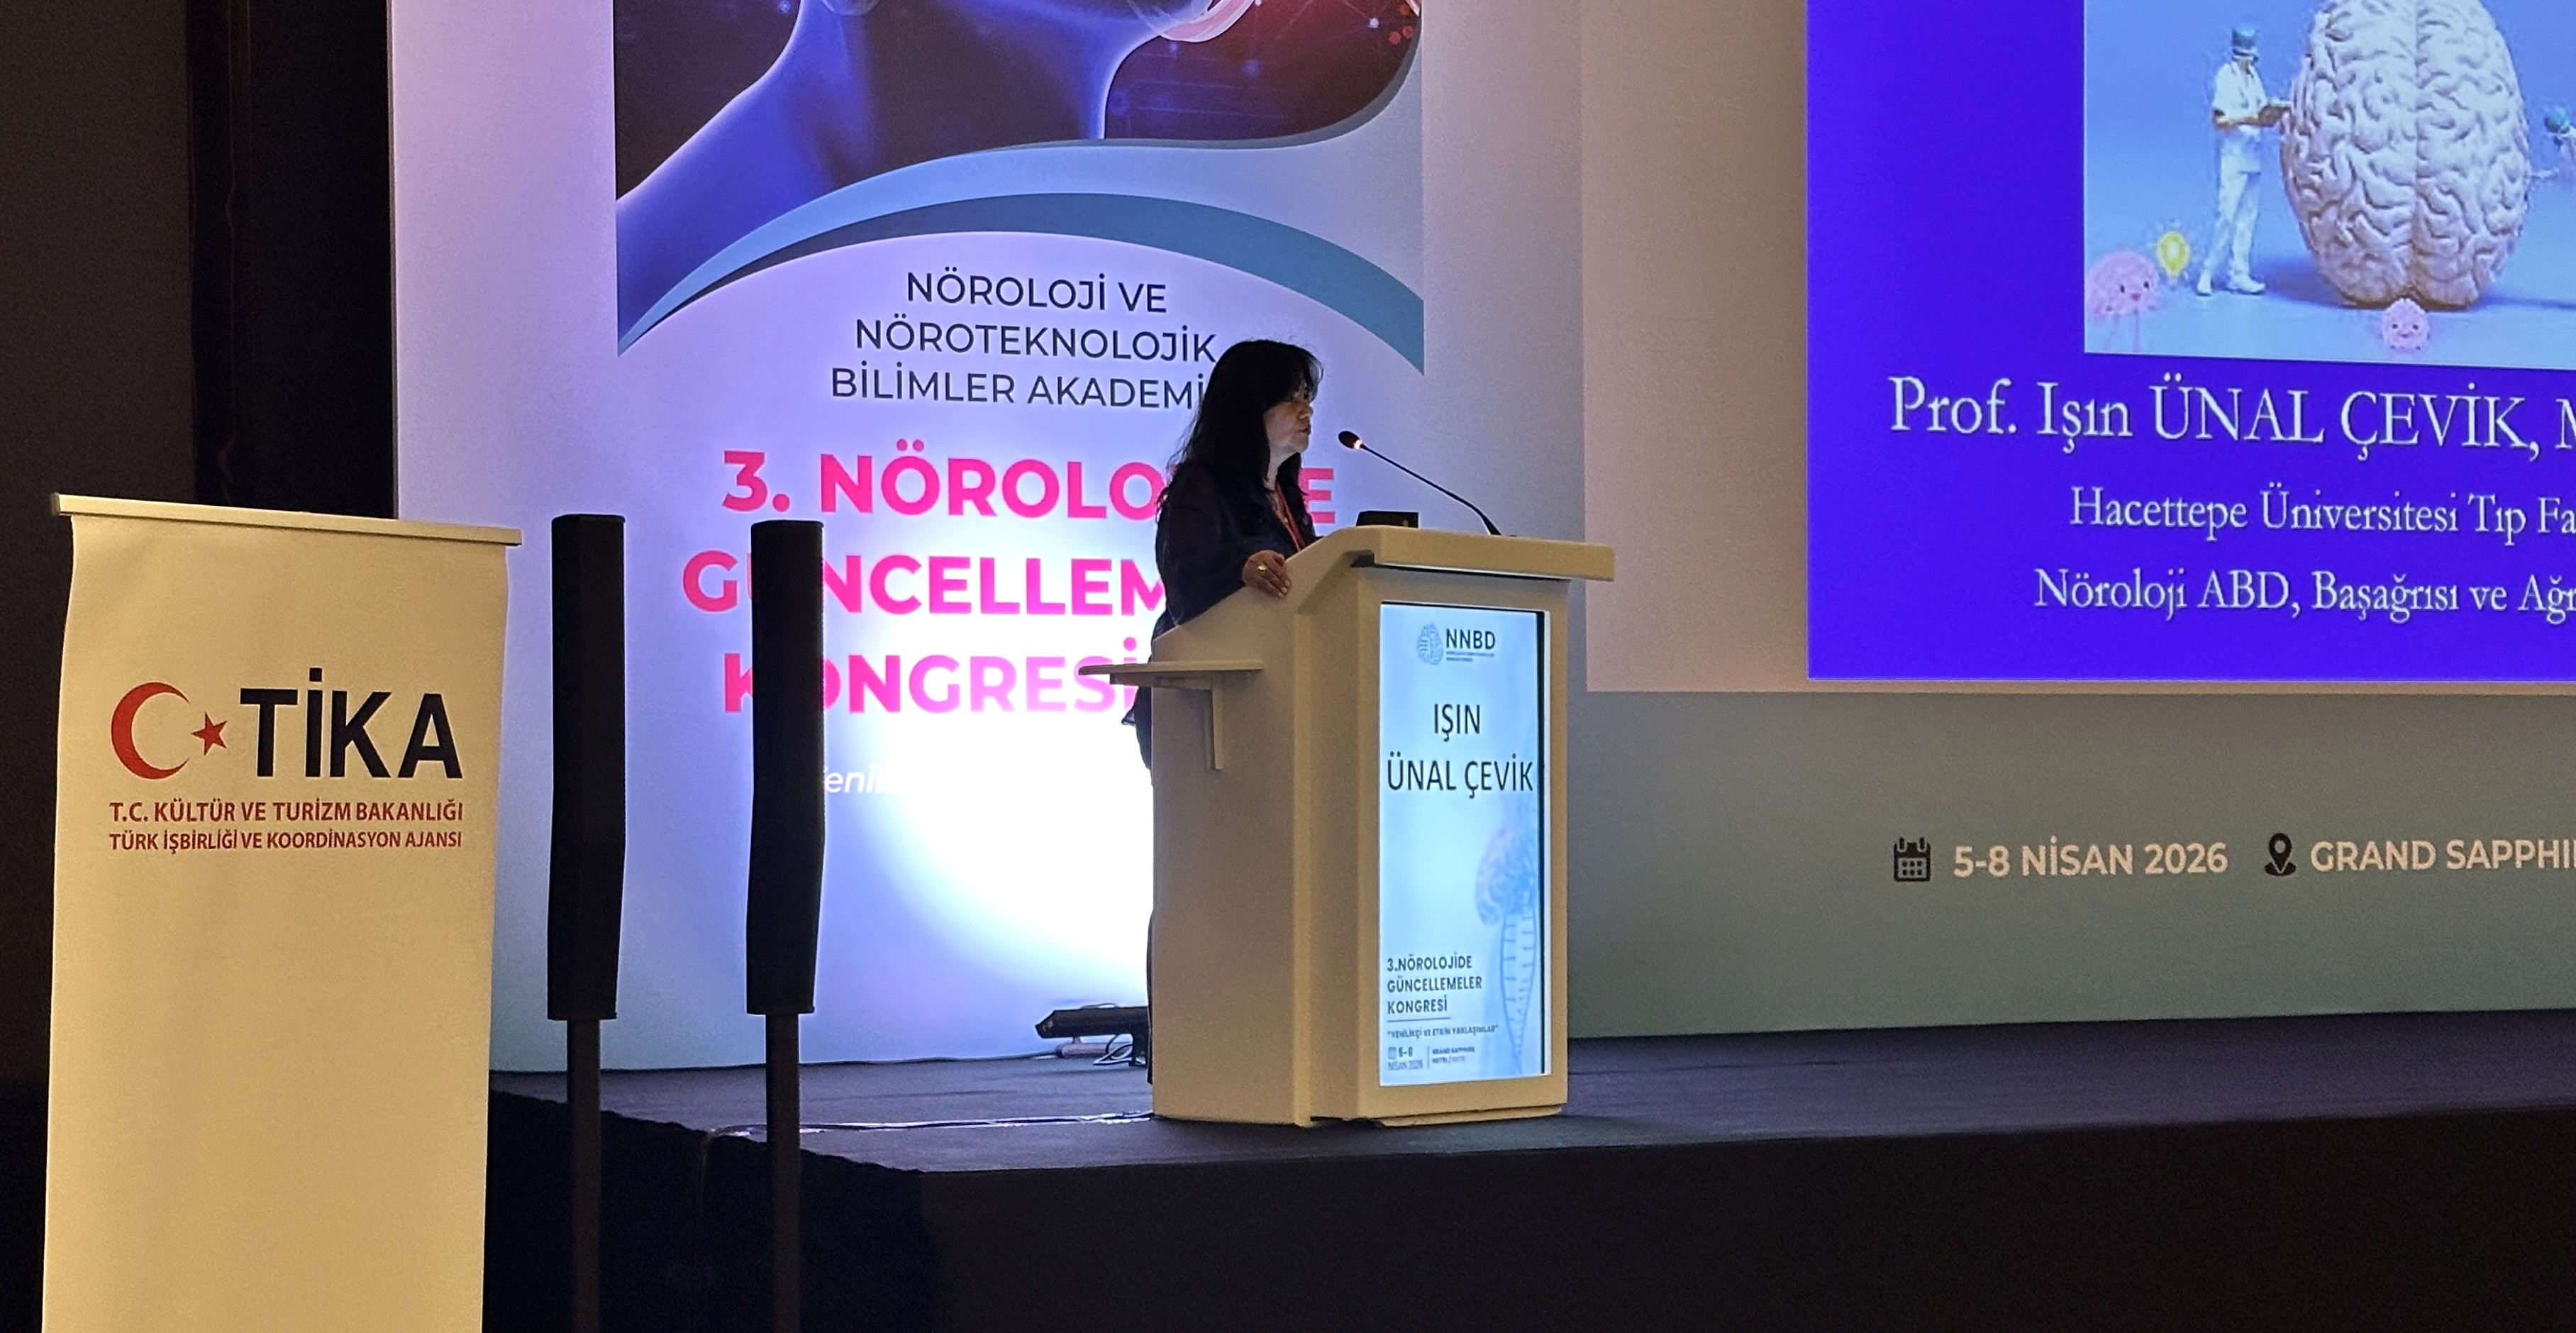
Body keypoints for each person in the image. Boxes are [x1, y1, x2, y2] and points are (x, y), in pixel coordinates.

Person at [1125, 340, 1321, 764]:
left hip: (1272, 701)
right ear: (1249, 408)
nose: (1307, 411)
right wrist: (1241, 570)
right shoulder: (1201, 487)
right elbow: (1187, 589)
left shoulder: (1286, 497)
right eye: (1291, 398)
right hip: (1203, 708)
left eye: (1307, 397)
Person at [2199, 25, 2278, 297]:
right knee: (2226, 216)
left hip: (2253, 155)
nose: (2250, 58)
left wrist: (2272, 115)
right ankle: (2208, 272)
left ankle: (2239, 274)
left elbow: (2261, 109)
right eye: (2246, 53)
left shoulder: (2254, 77)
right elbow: (2219, 121)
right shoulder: (2226, 76)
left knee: (2247, 219)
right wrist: (2248, 119)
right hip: (2233, 157)